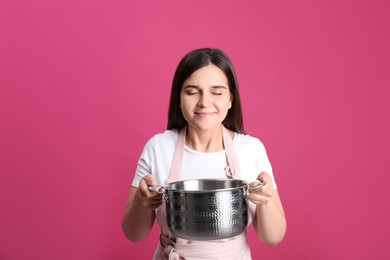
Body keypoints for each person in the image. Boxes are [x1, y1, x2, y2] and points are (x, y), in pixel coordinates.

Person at [122, 48, 286, 259]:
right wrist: (142, 203)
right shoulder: (158, 147)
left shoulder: (251, 149)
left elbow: (273, 237)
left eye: (217, 92)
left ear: (230, 99)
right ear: (178, 98)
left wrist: (266, 200)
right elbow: (133, 233)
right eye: (192, 92)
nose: (204, 102)